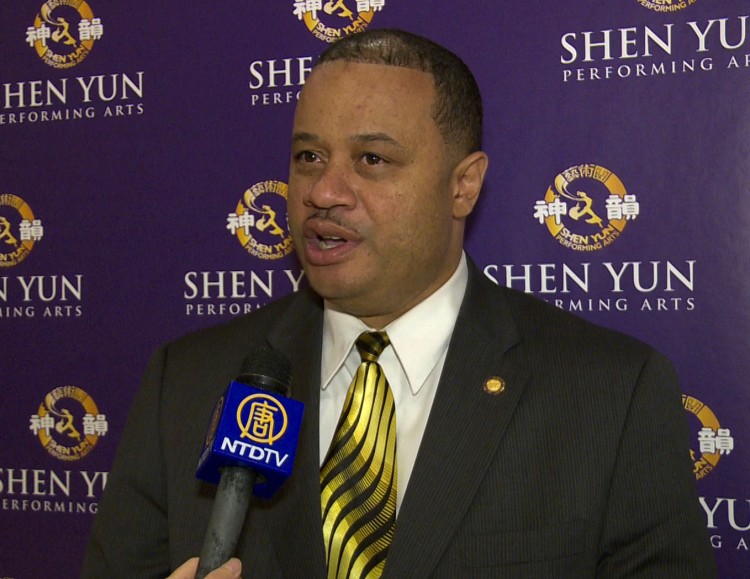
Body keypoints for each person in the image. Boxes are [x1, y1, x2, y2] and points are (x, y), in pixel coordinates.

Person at [82, 29, 715, 578]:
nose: (324, 190)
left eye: (372, 159)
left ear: (463, 185)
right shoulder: (187, 380)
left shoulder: (610, 392)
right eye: (309, 156)